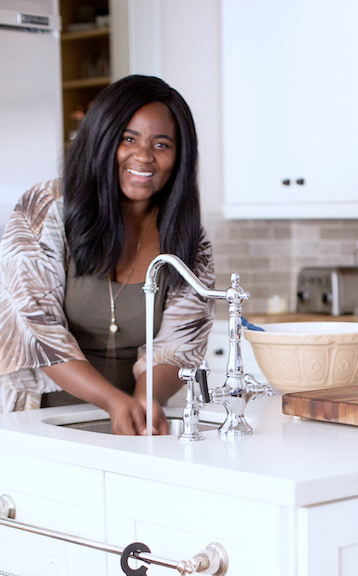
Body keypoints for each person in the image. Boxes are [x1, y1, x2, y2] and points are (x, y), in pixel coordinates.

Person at [0, 74, 215, 434]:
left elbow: (181, 342)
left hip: (138, 423)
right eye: (128, 139)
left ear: (179, 157)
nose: (143, 156)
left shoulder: (188, 236)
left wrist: (145, 399)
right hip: (39, 420)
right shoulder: (45, 209)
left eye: (162, 145)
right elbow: (37, 331)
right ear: (101, 139)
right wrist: (114, 401)